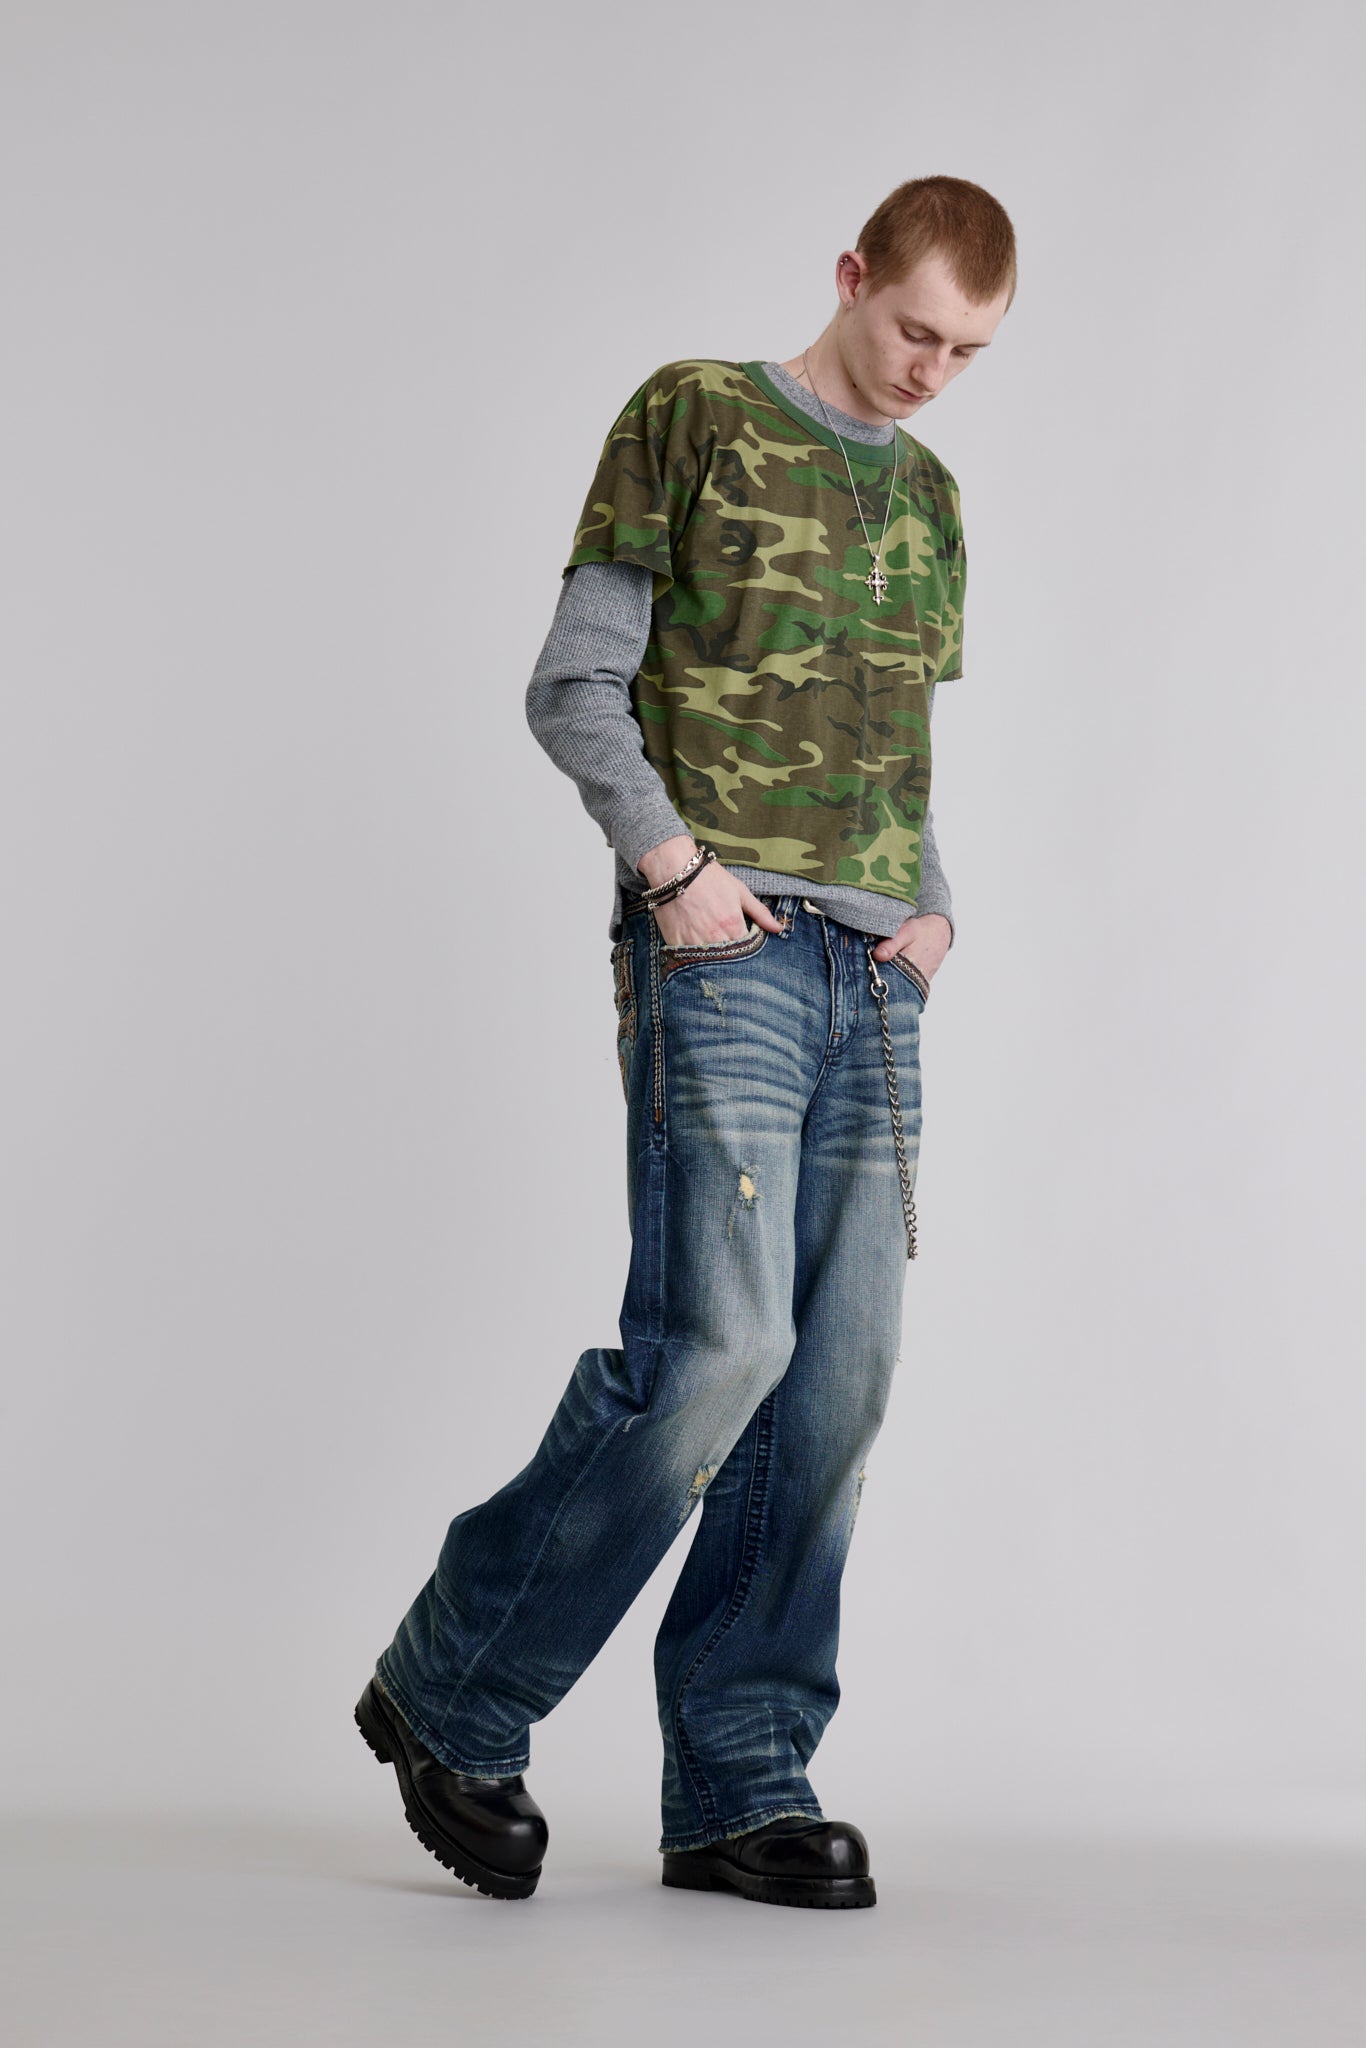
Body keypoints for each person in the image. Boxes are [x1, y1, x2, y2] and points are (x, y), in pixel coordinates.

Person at [356, 174, 1016, 1911]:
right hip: (721, 944)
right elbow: (576, 681)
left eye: (968, 352)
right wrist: (671, 869)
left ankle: (738, 1781)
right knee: (719, 1348)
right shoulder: (696, 414)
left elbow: (884, 749)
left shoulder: (931, 497)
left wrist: (932, 909)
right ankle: (454, 1686)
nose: (932, 371)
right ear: (851, 274)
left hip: (877, 970)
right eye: (914, 330)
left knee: (836, 1383)